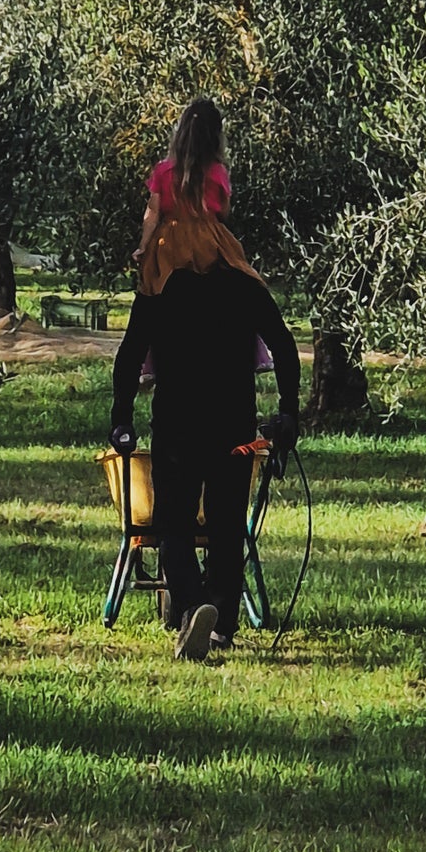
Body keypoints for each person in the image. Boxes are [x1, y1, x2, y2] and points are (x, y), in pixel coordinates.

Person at [111, 253, 300, 660]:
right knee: (227, 523)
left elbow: (131, 353)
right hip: (232, 423)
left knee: (173, 522)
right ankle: (221, 626)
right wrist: (289, 410)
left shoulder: (159, 287)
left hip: (177, 424)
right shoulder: (244, 285)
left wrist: (121, 418)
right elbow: (283, 344)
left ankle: (193, 607)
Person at [135, 96, 258, 296]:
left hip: (170, 241)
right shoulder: (218, 172)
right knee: (243, 280)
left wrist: (143, 246)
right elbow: (224, 212)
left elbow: (153, 213)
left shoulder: (163, 171)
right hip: (209, 240)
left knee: (157, 287)